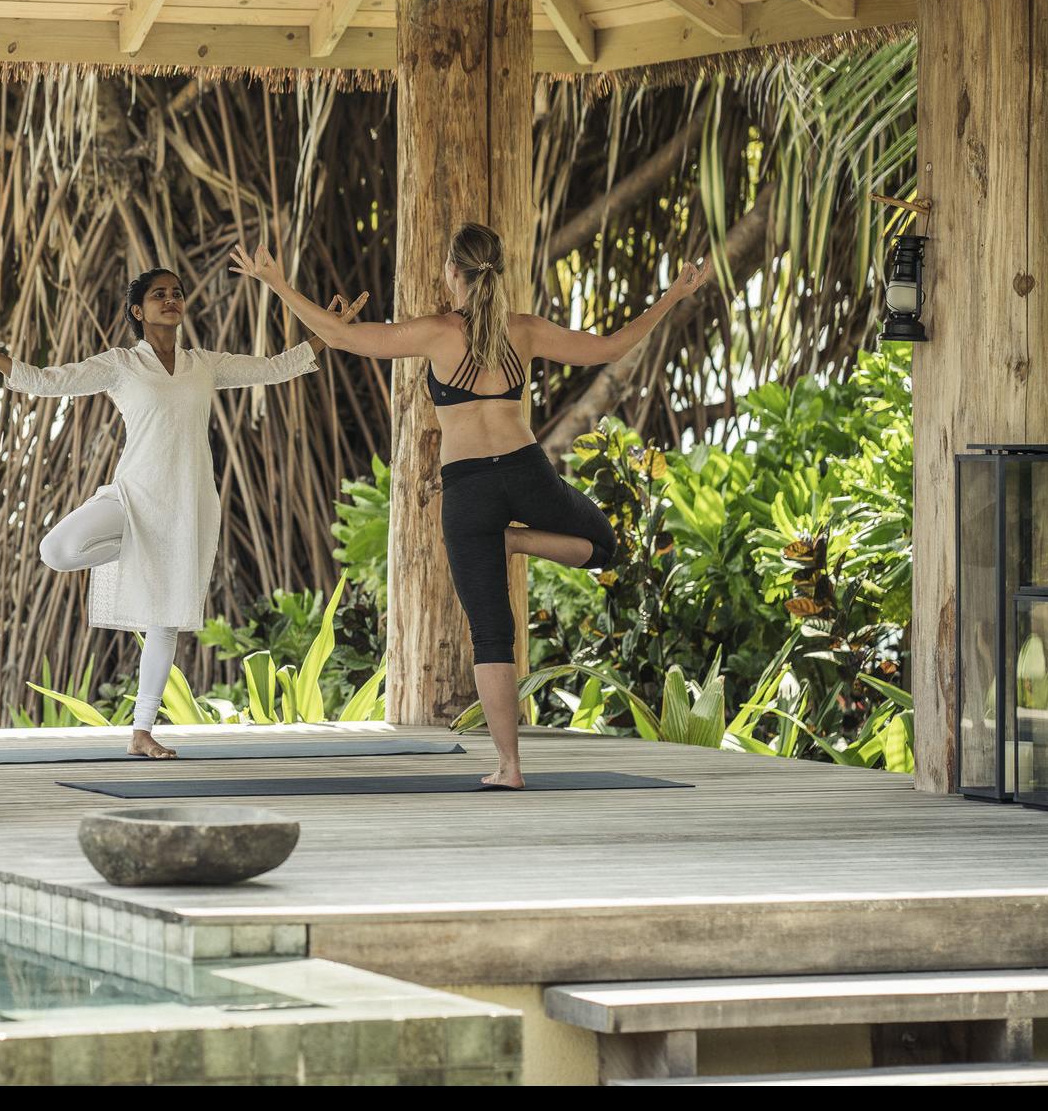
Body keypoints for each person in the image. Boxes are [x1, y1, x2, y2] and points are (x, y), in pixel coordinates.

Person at [230, 224, 709, 787]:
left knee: (491, 633)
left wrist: (277, 283)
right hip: (527, 474)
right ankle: (520, 540)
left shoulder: (437, 333)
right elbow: (609, 346)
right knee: (605, 547)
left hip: (468, 492)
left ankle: (509, 767)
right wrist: (672, 296)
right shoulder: (523, 332)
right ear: (497, 271)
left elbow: (340, 336)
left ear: (452, 272)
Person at [0, 267, 364, 758]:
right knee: (56, 550)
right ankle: (130, 551)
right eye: (158, 295)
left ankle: (141, 733)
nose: (170, 300)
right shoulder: (121, 364)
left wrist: (329, 333)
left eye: (176, 293)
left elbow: (276, 366)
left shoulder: (203, 364)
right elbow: (45, 382)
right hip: (133, 496)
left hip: (187, 505)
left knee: (165, 621)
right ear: (137, 310)